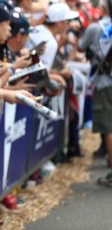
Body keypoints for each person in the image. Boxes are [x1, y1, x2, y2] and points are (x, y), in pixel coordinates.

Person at [78, 0, 112, 186]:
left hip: (104, 81)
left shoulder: (96, 27)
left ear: (103, 9)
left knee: (108, 127)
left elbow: (82, 47)